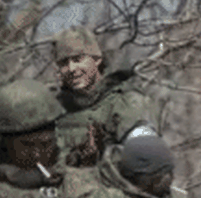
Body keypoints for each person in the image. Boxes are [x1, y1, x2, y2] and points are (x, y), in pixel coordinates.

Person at [0, 78, 90, 198]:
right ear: (5, 145)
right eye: (26, 146)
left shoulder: (77, 184)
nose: (36, 154)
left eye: (45, 144)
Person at [51, 26, 157, 167]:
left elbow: (145, 160)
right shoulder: (54, 111)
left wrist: (102, 155)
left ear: (96, 60)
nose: (72, 69)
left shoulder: (126, 102)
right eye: (64, 63)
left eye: (78, 60)